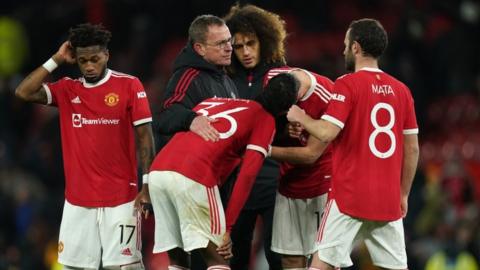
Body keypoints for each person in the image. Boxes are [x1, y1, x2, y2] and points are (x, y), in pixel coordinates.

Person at [15, 23, 155, 270]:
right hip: (78, 201)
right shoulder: (68, 89)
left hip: (121, 199)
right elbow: (23, 92)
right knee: (73, 268)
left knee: (125, 267)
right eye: (83, 61)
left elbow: (145, 137)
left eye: (95, 59)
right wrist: (57, 59)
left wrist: (147, 185)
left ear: (107, 55)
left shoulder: (129, 85)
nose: (89, 66)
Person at [287, 18, 419, 270]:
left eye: (346, 44)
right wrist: (403, 193)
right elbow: (412, 148)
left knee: (320, 265)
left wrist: (300, 116)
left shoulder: (347, 84)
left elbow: (326, 132)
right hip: (388, 200)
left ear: (356, 47)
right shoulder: (402, 90)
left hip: (349, 197)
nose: (343, 49)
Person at [148, 73, 299, 270]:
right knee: (219, 258)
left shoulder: (213, 101)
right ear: (286, 109)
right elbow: (247, 177)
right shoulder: (265, 120)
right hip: (194, 176)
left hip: (159, 172)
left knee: (178, 257)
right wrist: (227, 228)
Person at [223, 4, 287, 269]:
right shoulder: (223, 80)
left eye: (251, 43)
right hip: (236, 182)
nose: (246, 52)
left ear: (265, 41)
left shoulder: (282, 77)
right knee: (234, 260)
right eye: (238, 46)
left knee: (277, 258)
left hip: (275, 182)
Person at [264, 67, 333, 270]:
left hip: (322, 185)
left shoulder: (329, 96)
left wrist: (264, 150)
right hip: (288, 185)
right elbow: (271, 122)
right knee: (290, 259)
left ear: (297, 98)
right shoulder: (272, 79)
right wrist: (284, 128)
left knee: (325, 260)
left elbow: (311, 154)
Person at [156, 14, 238, 142]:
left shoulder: (227, 81)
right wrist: (192, 120)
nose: (229, 48)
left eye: (229, 40)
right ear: (200, 49)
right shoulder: (188, 77)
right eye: (221, 43)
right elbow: (166, 116)